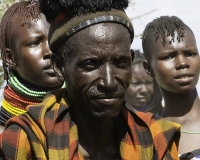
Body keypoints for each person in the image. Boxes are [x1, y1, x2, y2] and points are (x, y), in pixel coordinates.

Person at [0, 1, 180, 159]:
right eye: (90, 64)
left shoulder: (156, 138)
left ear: (131, 61)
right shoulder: (28, 140)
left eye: (121, 62)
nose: (109, 82)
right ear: (59, 67)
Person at [0, 0, 65, 133]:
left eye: (55, 40)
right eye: (34, 43)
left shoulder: (85, 115)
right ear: (9, 58)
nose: (50, 51)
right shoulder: (5, 135)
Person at [142, 16, 200, 159]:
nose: (182, 63)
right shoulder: (148, 137)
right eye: (169, 56)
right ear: (148, 68)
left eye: (190, 54)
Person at [125, 49, 163, 115]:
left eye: (149, 83)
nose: (144, 90)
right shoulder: (113, 119)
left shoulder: (165, 117)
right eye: (136, 83)